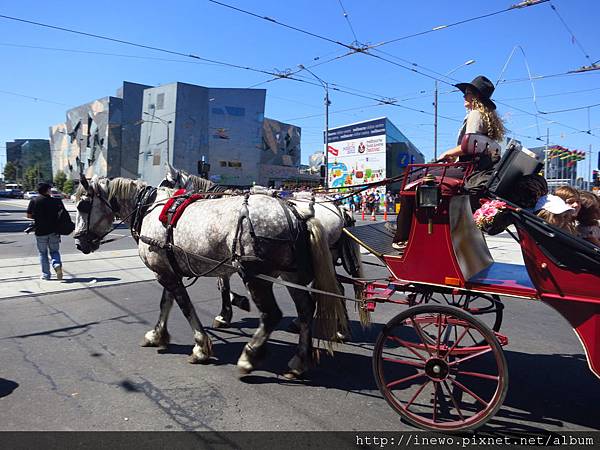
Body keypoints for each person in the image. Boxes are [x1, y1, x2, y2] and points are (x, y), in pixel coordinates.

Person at [392, 75, 505, 250]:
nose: (464, 96)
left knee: (412, 179)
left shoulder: (475, 113)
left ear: (475, 96)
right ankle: (411, 226)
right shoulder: (487, 116)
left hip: (467, 170)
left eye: (467, 93)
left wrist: (448, 153)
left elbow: (469, 145)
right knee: (418, 178)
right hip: (474, 169)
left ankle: (402, 234)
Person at [26, 182, 64, 280]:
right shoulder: (56, 201)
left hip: (40, 231)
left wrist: (37, 217)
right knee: (54, 251)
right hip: (54, 231)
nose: (51, 190)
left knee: (42, 253)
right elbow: (61, 215)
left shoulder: (34, 200)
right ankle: (56, 265)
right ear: (47, 190)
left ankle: (46, 275)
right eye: (50, 189)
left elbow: (29, 215)